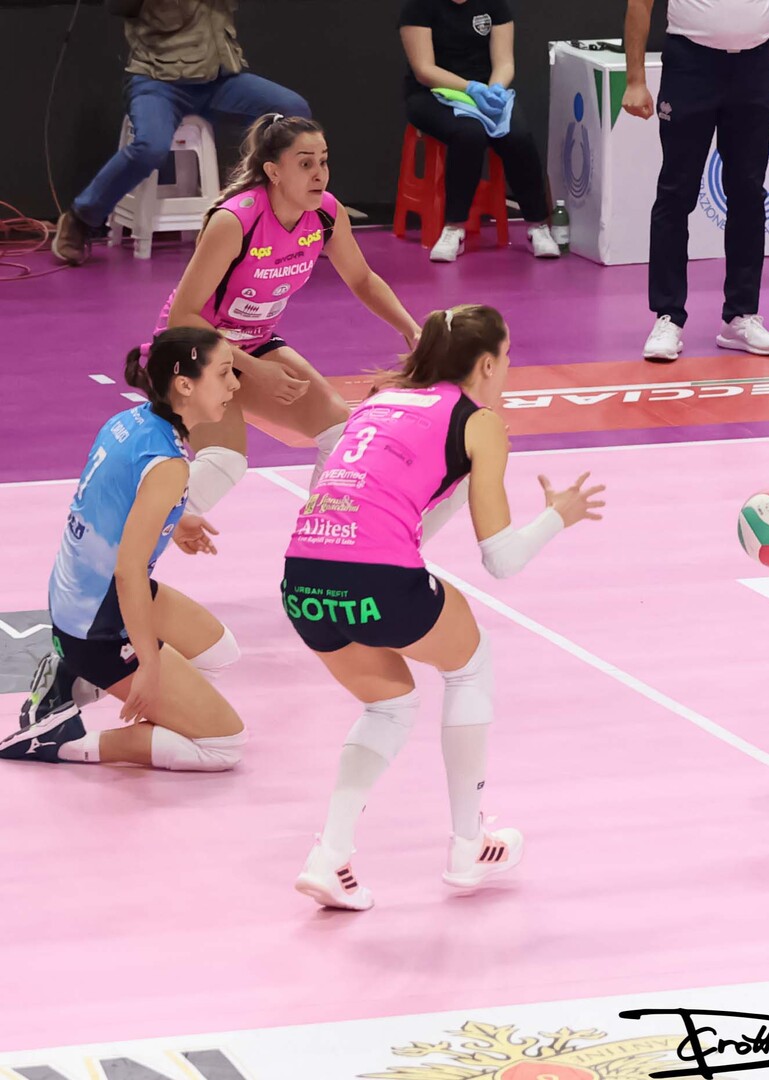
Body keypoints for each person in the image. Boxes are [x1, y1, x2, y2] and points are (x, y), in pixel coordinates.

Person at [282, 304, 605, 910]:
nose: (507, 370)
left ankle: (329, 856)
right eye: (507, 358)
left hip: (301, 577)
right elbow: (501, 559)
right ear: (485, 365)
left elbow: (397, 507)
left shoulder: (379, 402)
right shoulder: (479, 422)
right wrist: (557, 516)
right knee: (471, 664)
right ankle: (467, 845)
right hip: (375, 577)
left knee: (389, 705)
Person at [6, 328, 247, 773]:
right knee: (223, 746)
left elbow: (108, 501)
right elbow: (128, 571)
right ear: (185, 384)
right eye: (225, 373)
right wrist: (149, 663)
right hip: (97, 626)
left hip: (75, 597)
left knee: (219, 652)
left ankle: (69, 681)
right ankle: (59, 742)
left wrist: (174, 519)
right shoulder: (168, 465)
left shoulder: (130, 421)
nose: (234, 385)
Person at [160, 114, 422, 516]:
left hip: (252, 344)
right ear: (273, 171)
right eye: (305, 163)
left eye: (323, 161)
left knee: (340, 432)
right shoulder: (235, 221)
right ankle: (137, 533)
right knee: (226, 462)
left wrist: (412, 330)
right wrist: (255, 370)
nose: (319, 174)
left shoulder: (326, 214)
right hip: (191, 351)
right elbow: (182, 317)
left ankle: (318, 538)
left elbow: (363, 279)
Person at [52, 0, 311, 267]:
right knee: (151, 147)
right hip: (158, 82)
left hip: (219, 80)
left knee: (293, 112)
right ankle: (81, 218)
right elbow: (118, 6)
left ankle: (284, 218)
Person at [623, 0, 769, 362]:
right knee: (675, 191)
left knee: (748, 192)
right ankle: (668, 316)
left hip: (754, 67)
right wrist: (635, 80)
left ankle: (741, 316)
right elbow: (639, 4)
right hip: (689, 64)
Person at [398, 0, 561, 262]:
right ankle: (454, 229)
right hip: (433, 93)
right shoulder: (419, 6)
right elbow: (424, 70)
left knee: (517, 135)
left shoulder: (494, 4)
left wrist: (494, 90)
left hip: (486, 92)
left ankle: (537, 226)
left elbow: (504, 62)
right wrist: (470, 88)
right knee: (469, 134)